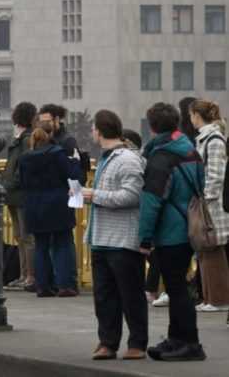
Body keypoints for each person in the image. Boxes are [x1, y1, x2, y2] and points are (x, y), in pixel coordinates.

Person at [138, 102, 206, 361]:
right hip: (189, 226)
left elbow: (151, 201)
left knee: (176, 289)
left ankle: (189, 342)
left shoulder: (161, 157)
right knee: (177, 286)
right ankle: (177, 338)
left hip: (169, 231)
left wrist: (144, 238)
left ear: (152, 127)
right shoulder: (190, 150)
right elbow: (201, 185)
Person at [80, 110, 148, 361]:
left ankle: (137, 343)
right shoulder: (109, 158)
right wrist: (91, 197)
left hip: (122, 240)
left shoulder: (127, 159)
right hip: (101, 239)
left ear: (99, 130)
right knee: (104, 296)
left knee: (130, 295)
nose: (92, 133)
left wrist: (93, 195)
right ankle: (108, 342)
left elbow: (131, 196)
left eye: (93, 129)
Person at [20, 127, 81, 298]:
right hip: (57, 203)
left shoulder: (25, 158)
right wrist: (75, 162)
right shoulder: (57, 154)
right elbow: (71, 176)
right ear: (49, 137)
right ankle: (65, 285)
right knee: (62, 243)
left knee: (41, 246)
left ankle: (43, 286)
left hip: (33, 206)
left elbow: (23, 183)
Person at [189, 100, 229, 313]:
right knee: (205, 251)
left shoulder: (213, 139)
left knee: (212, 250)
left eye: (191, 115)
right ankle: (210, 297)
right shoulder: (208, 137)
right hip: (207, 203)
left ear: (197, 115)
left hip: (211, 205)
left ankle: (218, 299)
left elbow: (216, 175)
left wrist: (206, 197)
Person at [1, 101, 37, 291]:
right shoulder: (23, 138)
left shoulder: (25, 139)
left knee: (25, 236)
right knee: (20, 235)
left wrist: (8, 184)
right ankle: (25, 275)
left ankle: (29, 275)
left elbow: (21, 166)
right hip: (15, 193)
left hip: (18, 192)